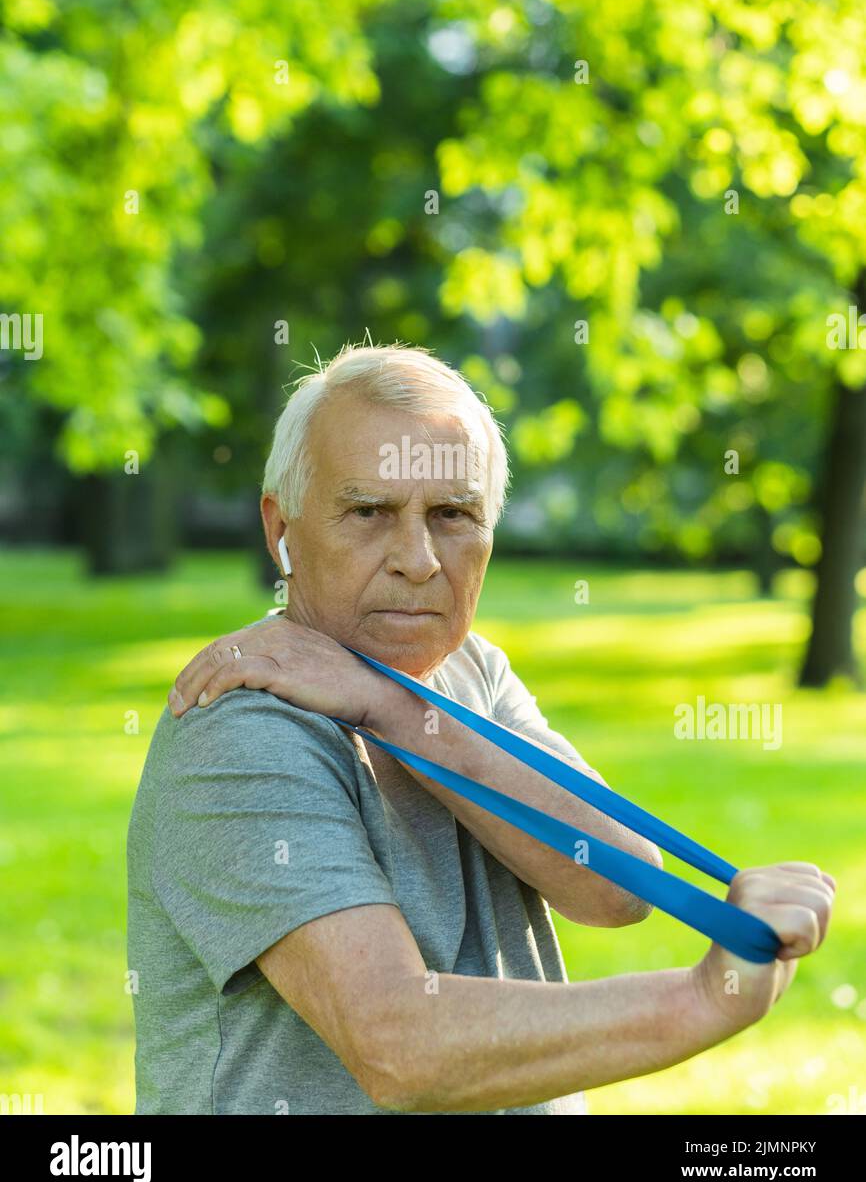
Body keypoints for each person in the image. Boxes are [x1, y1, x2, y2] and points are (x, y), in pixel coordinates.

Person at [126, 342, 835, 1115]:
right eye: (368, 512)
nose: (420, 560)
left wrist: (395, 708)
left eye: (453, 514)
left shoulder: (471, 672)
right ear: (281, 531)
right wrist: (699, 1000)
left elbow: (617, 884)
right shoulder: (242, 726)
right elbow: (399, 1047)